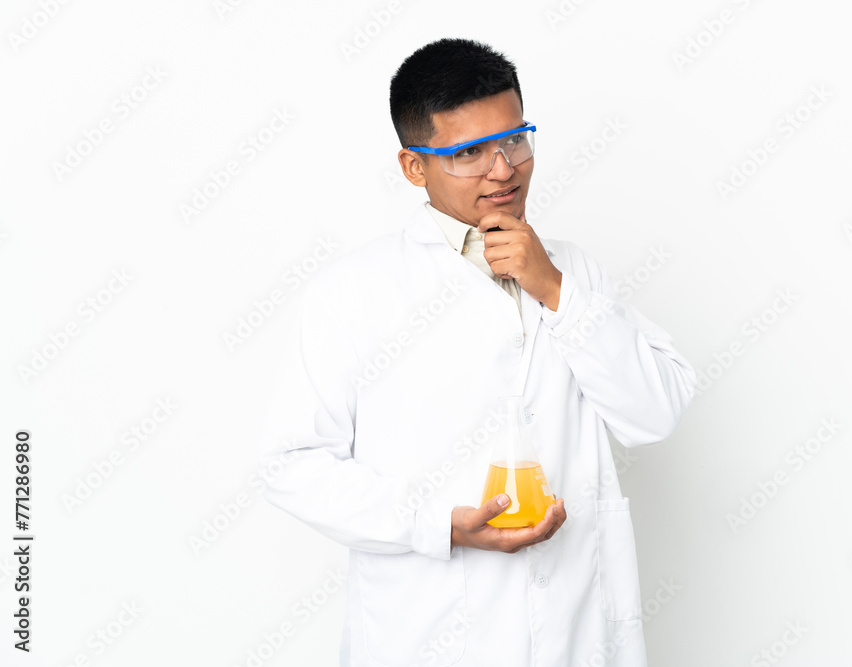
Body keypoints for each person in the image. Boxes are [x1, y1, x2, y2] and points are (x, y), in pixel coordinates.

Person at [259, 37, 696, 667]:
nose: (503, 169)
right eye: (469, 153)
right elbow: (292, 464)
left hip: (575, 632)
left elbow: (656, 414)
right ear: (414, 166)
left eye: (515, 140)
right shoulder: (353, 291)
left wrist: (554, 290)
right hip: (428, 635)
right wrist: (437, 524)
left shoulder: (574, 275)